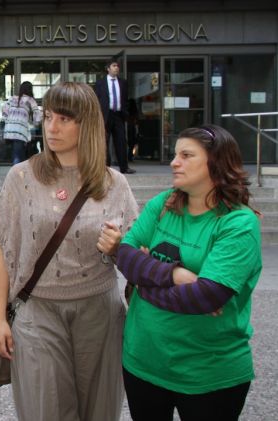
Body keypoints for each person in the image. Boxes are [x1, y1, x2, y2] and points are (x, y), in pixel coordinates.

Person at [0, 82, 138, 421]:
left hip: (99, 311)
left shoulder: (114, 184)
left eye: (64, 119)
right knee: (46, 409)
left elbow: (136, 257)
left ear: (87, 124)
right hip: (37, 309)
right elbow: (3, 251)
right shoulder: (21, 177)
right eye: (47, 116)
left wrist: (119, 249)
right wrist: (0, 319)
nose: (52, 127)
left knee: (99, 410)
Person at [114, 124, 261, 421]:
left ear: (216, 162)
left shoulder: (238, 224)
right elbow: (125, 256)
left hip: (209, 374)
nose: (173, 162)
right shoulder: (164, 203)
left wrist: (145, 283)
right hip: (142, 363)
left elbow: (205, 297)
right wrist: (174, 276)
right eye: (174, 154)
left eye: (186, 155)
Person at [95, 58, 136, 174]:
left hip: (118, 115)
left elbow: (125, 99)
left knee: (121, 141)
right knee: (104, 142)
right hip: (105, 116)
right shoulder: (100, 83)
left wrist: (125, 113)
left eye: (117, 66)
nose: (116, 68)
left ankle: (124, 167)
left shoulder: (123, 82)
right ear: (108, 69)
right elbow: (97, 100)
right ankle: (105, 167)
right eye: (114, 66)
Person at [2, 81, 41, 165]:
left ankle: (18, 174)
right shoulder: (30, 100)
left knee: (17, 154)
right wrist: (36, 123)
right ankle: (16, 175)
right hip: (19, 131)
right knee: (18, 157)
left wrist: (8, 121)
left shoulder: (12, 98)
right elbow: (37, 114)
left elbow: (4, 111)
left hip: (9, 131)